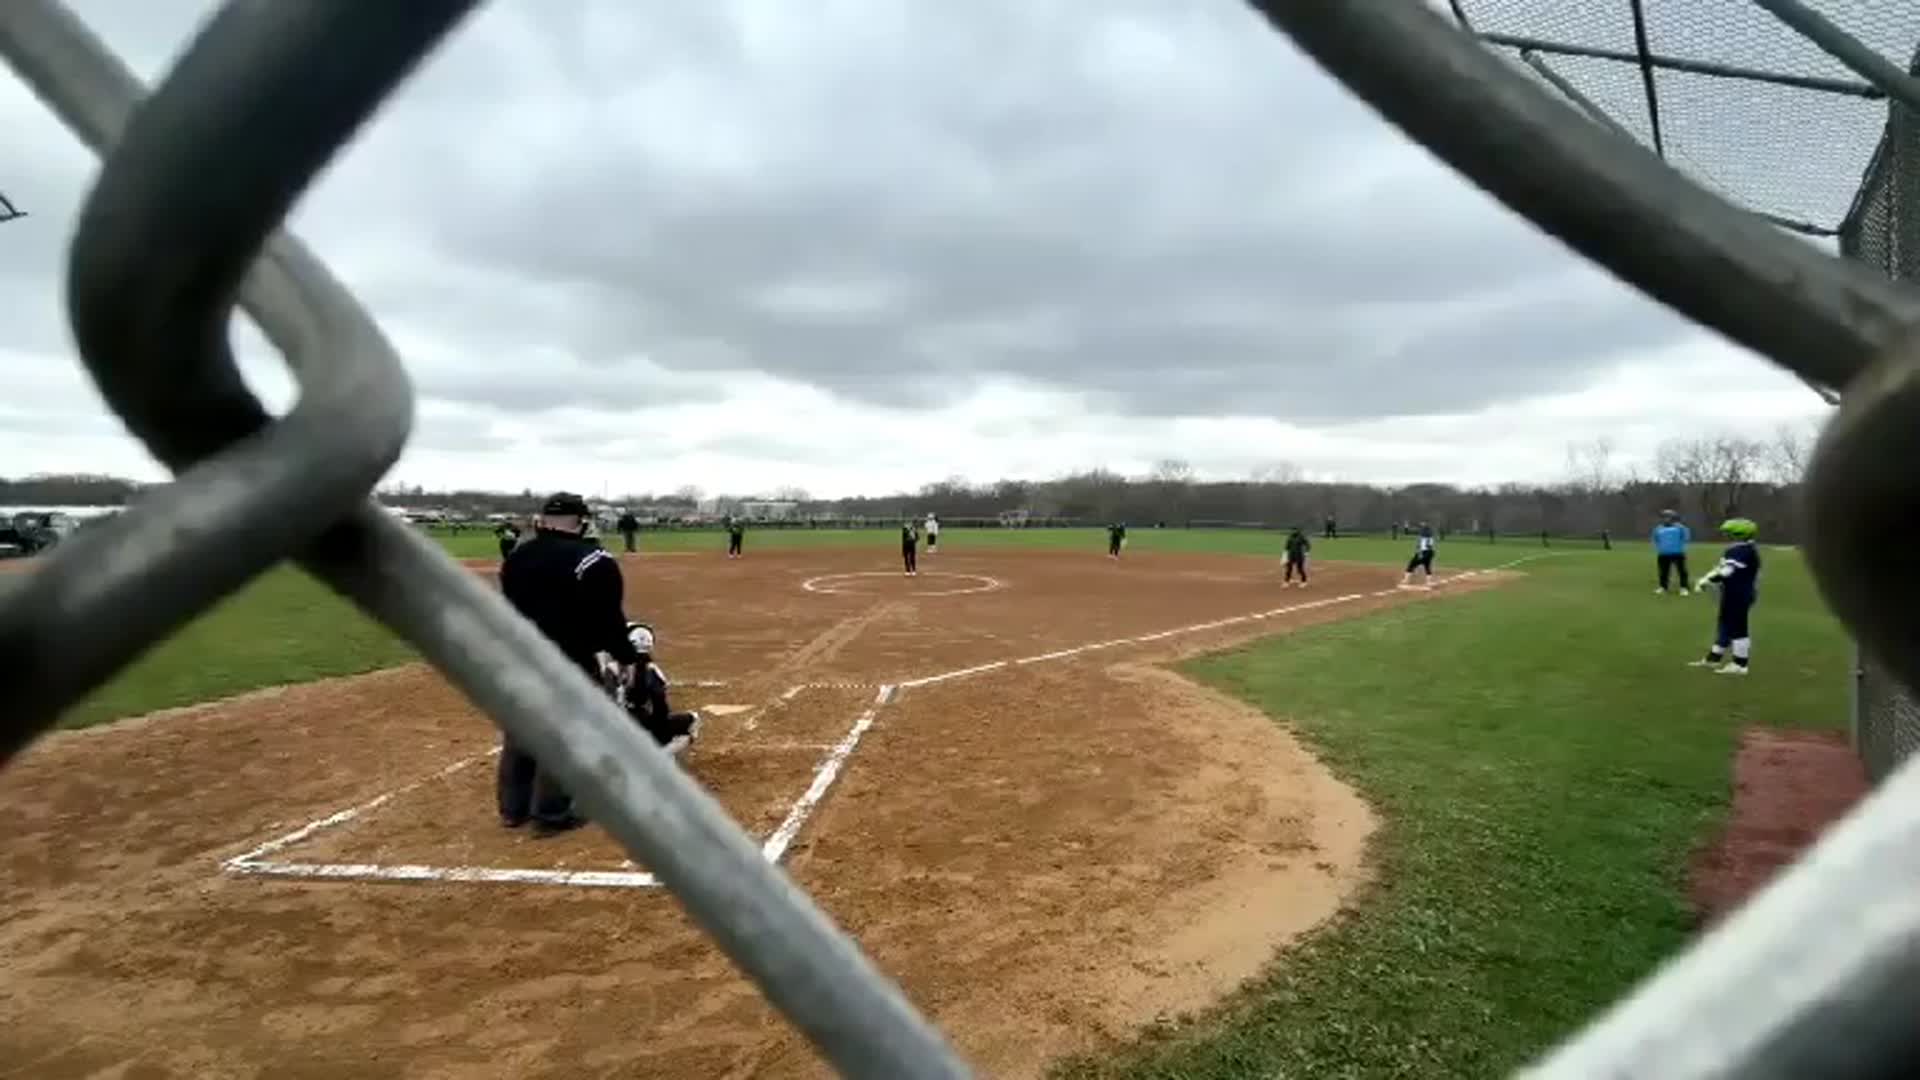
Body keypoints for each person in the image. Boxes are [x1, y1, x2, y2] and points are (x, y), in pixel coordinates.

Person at [495, 492, 645, 836]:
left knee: (520, 729)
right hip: (568, 656)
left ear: (543, 520)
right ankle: (550, 814)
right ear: (582, 521)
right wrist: (626, 657)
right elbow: (609, 619)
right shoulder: (593, 559)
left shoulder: (517, 556)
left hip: (518, 652)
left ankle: (513, 809)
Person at [601, 622, 700, 755]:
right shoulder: (654, 671)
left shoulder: (611, 669)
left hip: (614, 734)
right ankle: (660, 757)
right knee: (694, 720)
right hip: (643, 730)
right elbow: (661, 710)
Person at [1689, 518, 1762, 676]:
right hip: (1736, 593)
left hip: (1739, 594)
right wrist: (1707, 578)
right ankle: (1713, 659)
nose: (1727, 536)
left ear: (1738, 535)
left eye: (1729, 533)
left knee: (1738, 628)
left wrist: (1707, 581)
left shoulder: (1740, 550)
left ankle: (1740, 664)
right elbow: (1721, 568)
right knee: (1725, 625)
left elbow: (1727, 572)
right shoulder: (1744, 548)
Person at [1652, 509, 1692, 596]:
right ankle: (1663, 587)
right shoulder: (1658, 528)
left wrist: (1682, 547)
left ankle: (1684, 588)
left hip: (1677, 553)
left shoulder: (1680, 527)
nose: (1666, 519)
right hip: (1663, 554)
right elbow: (1655, 539)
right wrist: (1658, 548)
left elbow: (1686, 537)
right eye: (1664, 517)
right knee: (1663, 572)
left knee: (1682, 571)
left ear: (1673, 518)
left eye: (1668, 517)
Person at [1401, 522, 1436, 588]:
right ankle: (1429, 582)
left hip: (1423, 552)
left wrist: (1406, 527)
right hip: (1430, 553)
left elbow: (1408, 533)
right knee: (1427, 566)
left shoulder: (1422, 534)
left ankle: (1406, 580)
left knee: (1412, 564)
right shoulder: (1430, 534)